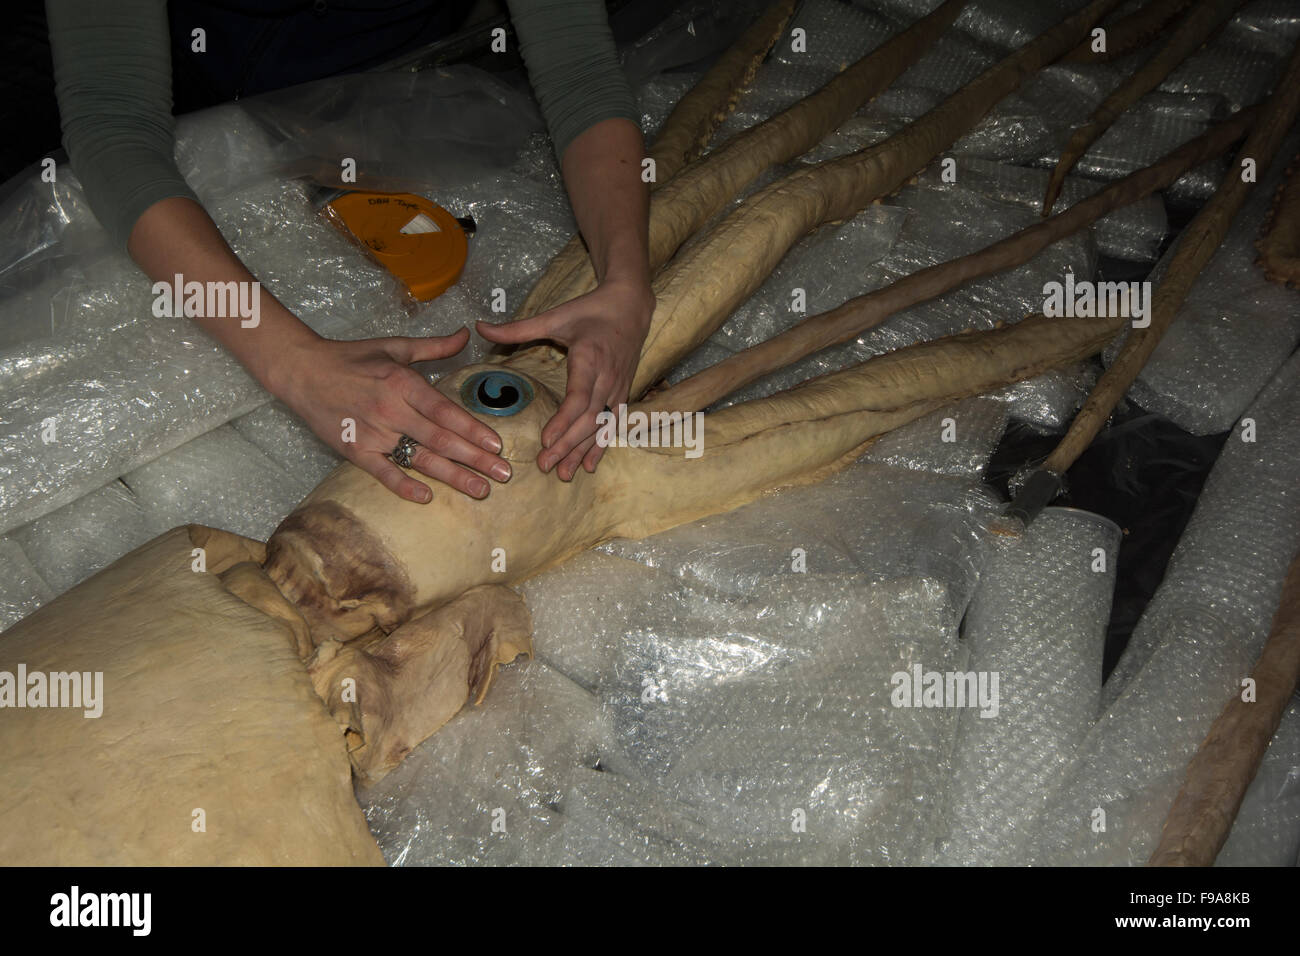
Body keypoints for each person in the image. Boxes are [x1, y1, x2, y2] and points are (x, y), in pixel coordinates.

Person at [45, 0, 654, 504]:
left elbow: (578, 72)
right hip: (214, 129)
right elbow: (114, 124)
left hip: (414, 97)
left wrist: (626, 281)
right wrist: (291, 361)